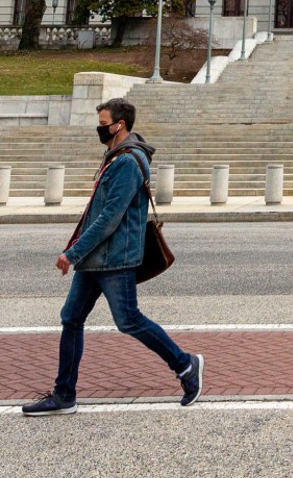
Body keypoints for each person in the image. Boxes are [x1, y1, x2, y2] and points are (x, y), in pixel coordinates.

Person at [23, 97, 202, 415]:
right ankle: (64, 394)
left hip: (115, 258)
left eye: (103, 124)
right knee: (71, 318)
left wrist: (73, 251)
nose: (100, 129)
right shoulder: (116, 157)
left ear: (120, 125)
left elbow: (109, 217)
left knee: (129, 321)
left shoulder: (127, 162)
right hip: (96, 258)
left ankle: (186, 365)